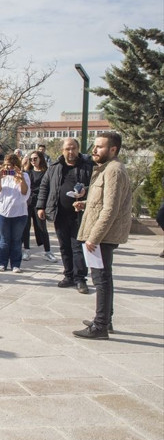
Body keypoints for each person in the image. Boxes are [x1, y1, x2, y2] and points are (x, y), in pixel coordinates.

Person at [72, 133, 132, 339]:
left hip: (103, 235)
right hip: (102, 234)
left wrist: (94, 237)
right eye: (94, 146)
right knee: (103, 277)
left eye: (99, 147)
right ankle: (106, 318)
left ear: (113, 149)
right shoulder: (108, 169)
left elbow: (110, 209)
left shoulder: (113, 170)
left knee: (101, 279)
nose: (94, 150)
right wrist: (86, 204)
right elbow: (103, 202)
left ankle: (100, 326)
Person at [36, 138, 93, 294]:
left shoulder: (87, 166)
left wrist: (85, 191)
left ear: (78, 149)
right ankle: (68, 275)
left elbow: (96, 185)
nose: (71, 152)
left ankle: (80, 278)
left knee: (77, 246)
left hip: (80, 214)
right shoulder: (55, 168)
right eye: (67, 149)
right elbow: (44, 187)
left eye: (73, 148)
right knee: (64, 246)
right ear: (62, 150)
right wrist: (41, 206)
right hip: (60, 213)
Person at [0, 154, 30, 273]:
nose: (8, 168)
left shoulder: (25, 175)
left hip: (19, 213)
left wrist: (21, 178)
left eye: (11, 165)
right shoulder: (2, 176)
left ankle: (16, 264)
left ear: (16, 166)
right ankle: (2, 263)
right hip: (2, 211)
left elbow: (25, 194)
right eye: (7, 165)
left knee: (16, 239)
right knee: (4, 239)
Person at [22, 151, 55, 262]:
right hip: (28, 202)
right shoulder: (28, 172)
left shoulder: (47, 172)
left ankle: (47, 251)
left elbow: (49, 189)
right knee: (26, 227)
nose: (33, 161)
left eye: (35, 158)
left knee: (42, 228)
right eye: (31, 159)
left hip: (40, 203)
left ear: (41, 158)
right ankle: (26, 250)